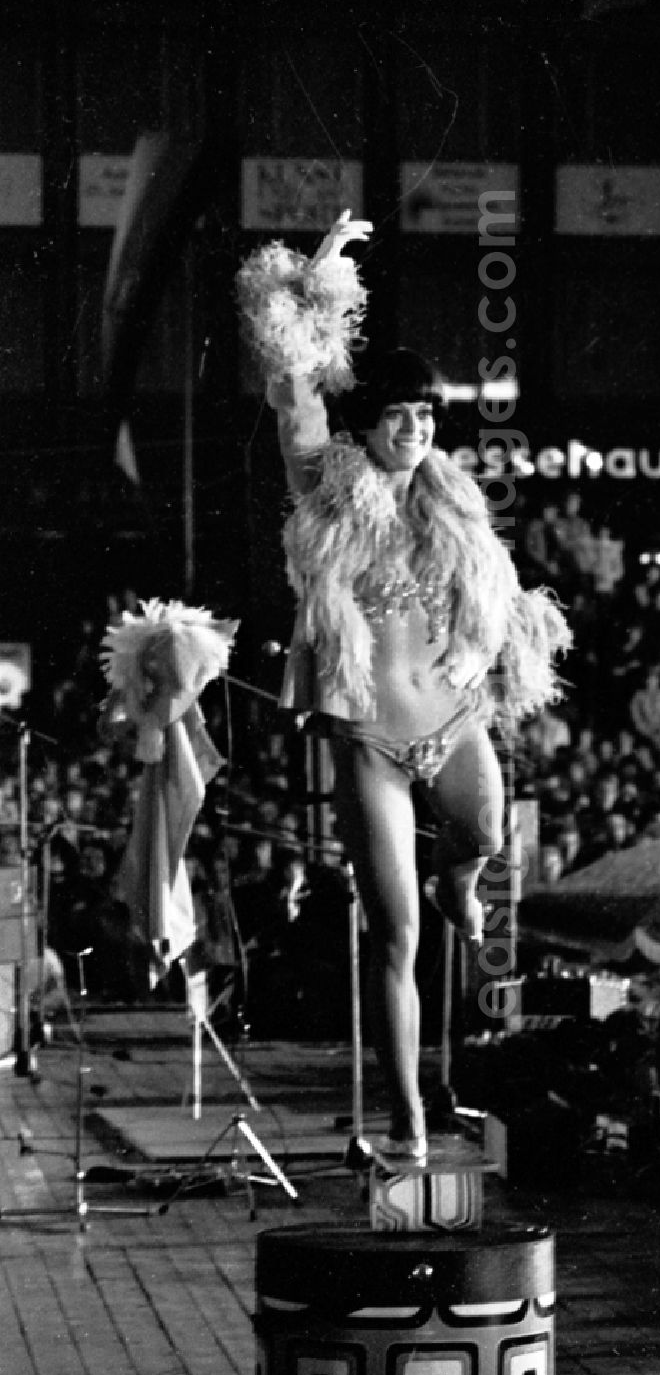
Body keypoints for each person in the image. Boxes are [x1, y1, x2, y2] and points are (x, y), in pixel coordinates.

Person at [239, 219, 570, 1159]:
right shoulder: (326, 483)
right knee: (398, 937)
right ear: (369, 421)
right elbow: (295, 382)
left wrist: (480, 644)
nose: (416, 431)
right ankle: (409, 1116)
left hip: (452, 720)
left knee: (486, 837)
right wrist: (321, 278)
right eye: (399, 417)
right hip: (371, 744)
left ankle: (462, 884)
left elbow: (497, 596)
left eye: (427, 417)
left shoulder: (453, 499)